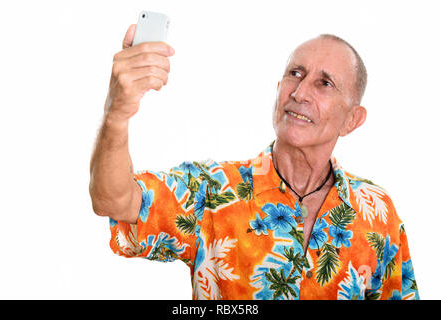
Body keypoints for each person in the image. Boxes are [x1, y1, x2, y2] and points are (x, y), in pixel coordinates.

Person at [89, 24, 419, 300]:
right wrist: (117, 114)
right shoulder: (213, 191)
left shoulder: (378, 212)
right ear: (278, 90)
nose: (300, 92)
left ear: (352, 120)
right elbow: (115, 200)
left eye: (324, 83)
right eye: (295, 73)